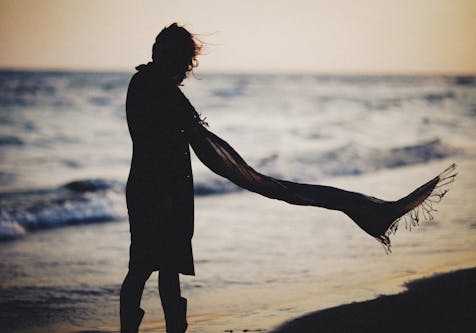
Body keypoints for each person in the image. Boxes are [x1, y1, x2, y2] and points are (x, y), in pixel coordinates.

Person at [120, 23, 456, 333]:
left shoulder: (149, 84)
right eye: (180, 59)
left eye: (183, 61)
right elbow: (163, 143)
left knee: (162, 269)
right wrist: (251, 178)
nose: (183, 68)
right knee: (144, 268)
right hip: (158, 192)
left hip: (164, 190)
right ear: (167, 56)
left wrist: (249, 176)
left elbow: (187, 141)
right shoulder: (154, 88)